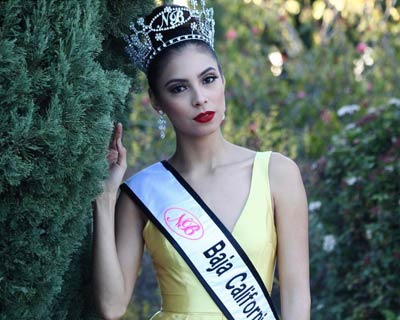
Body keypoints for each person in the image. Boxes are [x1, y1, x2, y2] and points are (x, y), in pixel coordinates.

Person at [93, 1, 310, 319]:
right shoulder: (143, 194)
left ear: (223, 81)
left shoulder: (277, 173)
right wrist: (104, 196)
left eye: (208, 79)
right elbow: (112, 307)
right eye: (179, 88)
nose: (199, 98)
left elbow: (296, 298)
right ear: (156, 101)